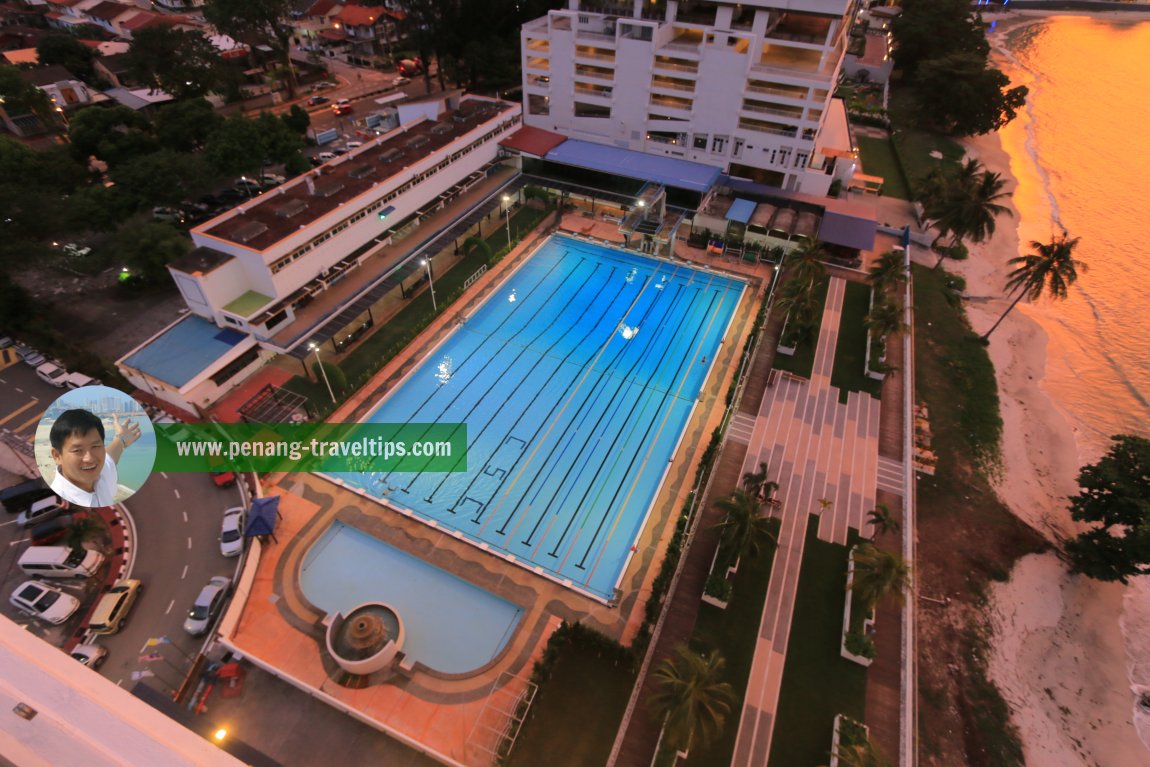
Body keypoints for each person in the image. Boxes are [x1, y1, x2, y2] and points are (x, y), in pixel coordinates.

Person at [48, 409, 140, 508]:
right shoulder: (60, 502)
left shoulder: (101, 473)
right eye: (77, 450)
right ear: (57, 456)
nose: (90, 459)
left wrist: (121, 438)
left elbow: (110, 456)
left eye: (95, 446)